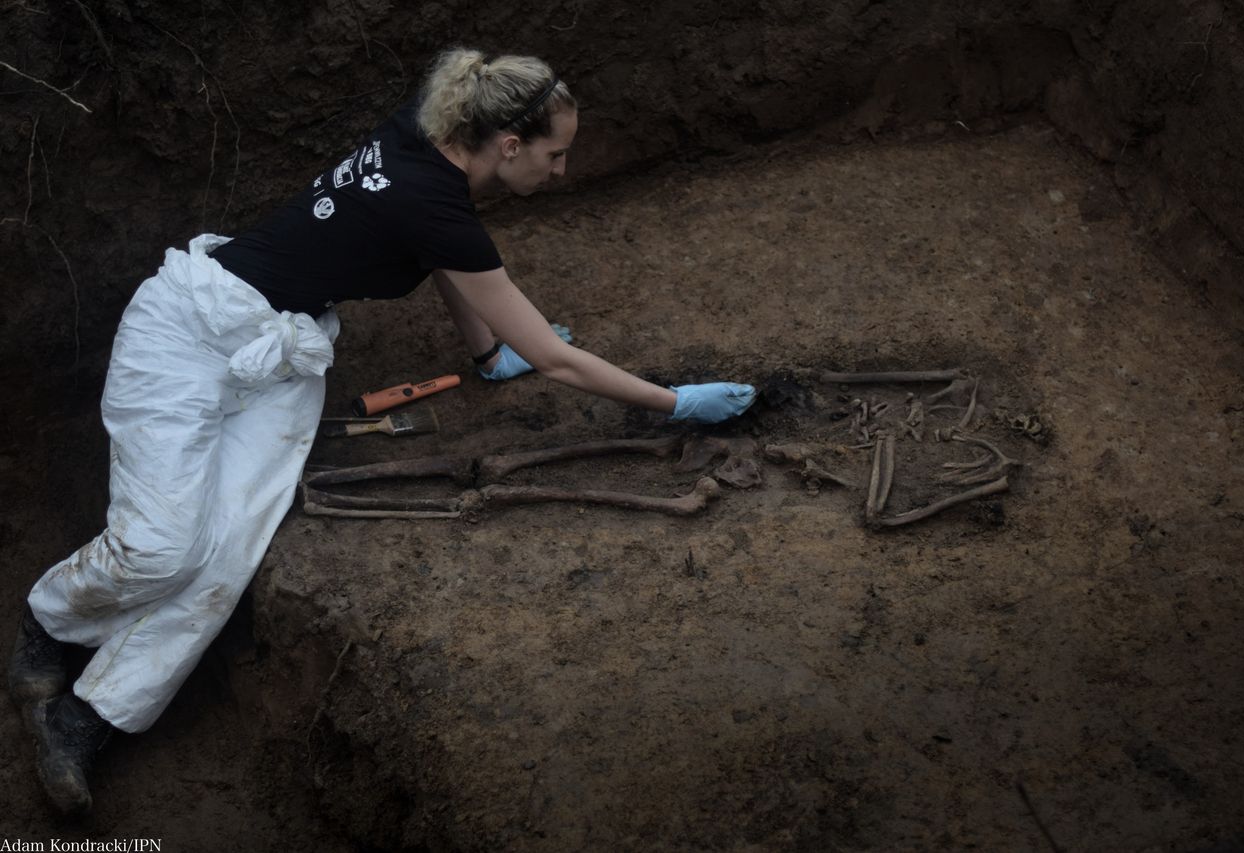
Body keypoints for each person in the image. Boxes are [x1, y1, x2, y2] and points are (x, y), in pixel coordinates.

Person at [7, 47, 757, 814]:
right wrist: (674, 403)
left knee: (228, 544)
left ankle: (86, 716)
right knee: (164, 545)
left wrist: (487, 351)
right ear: (506, 146)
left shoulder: (428, 131)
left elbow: (444, 254)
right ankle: (47, 623)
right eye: (554, 154)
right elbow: (557, 359)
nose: (561, 171)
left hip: (280, 355)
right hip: (187, 328)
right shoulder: (433, 199)